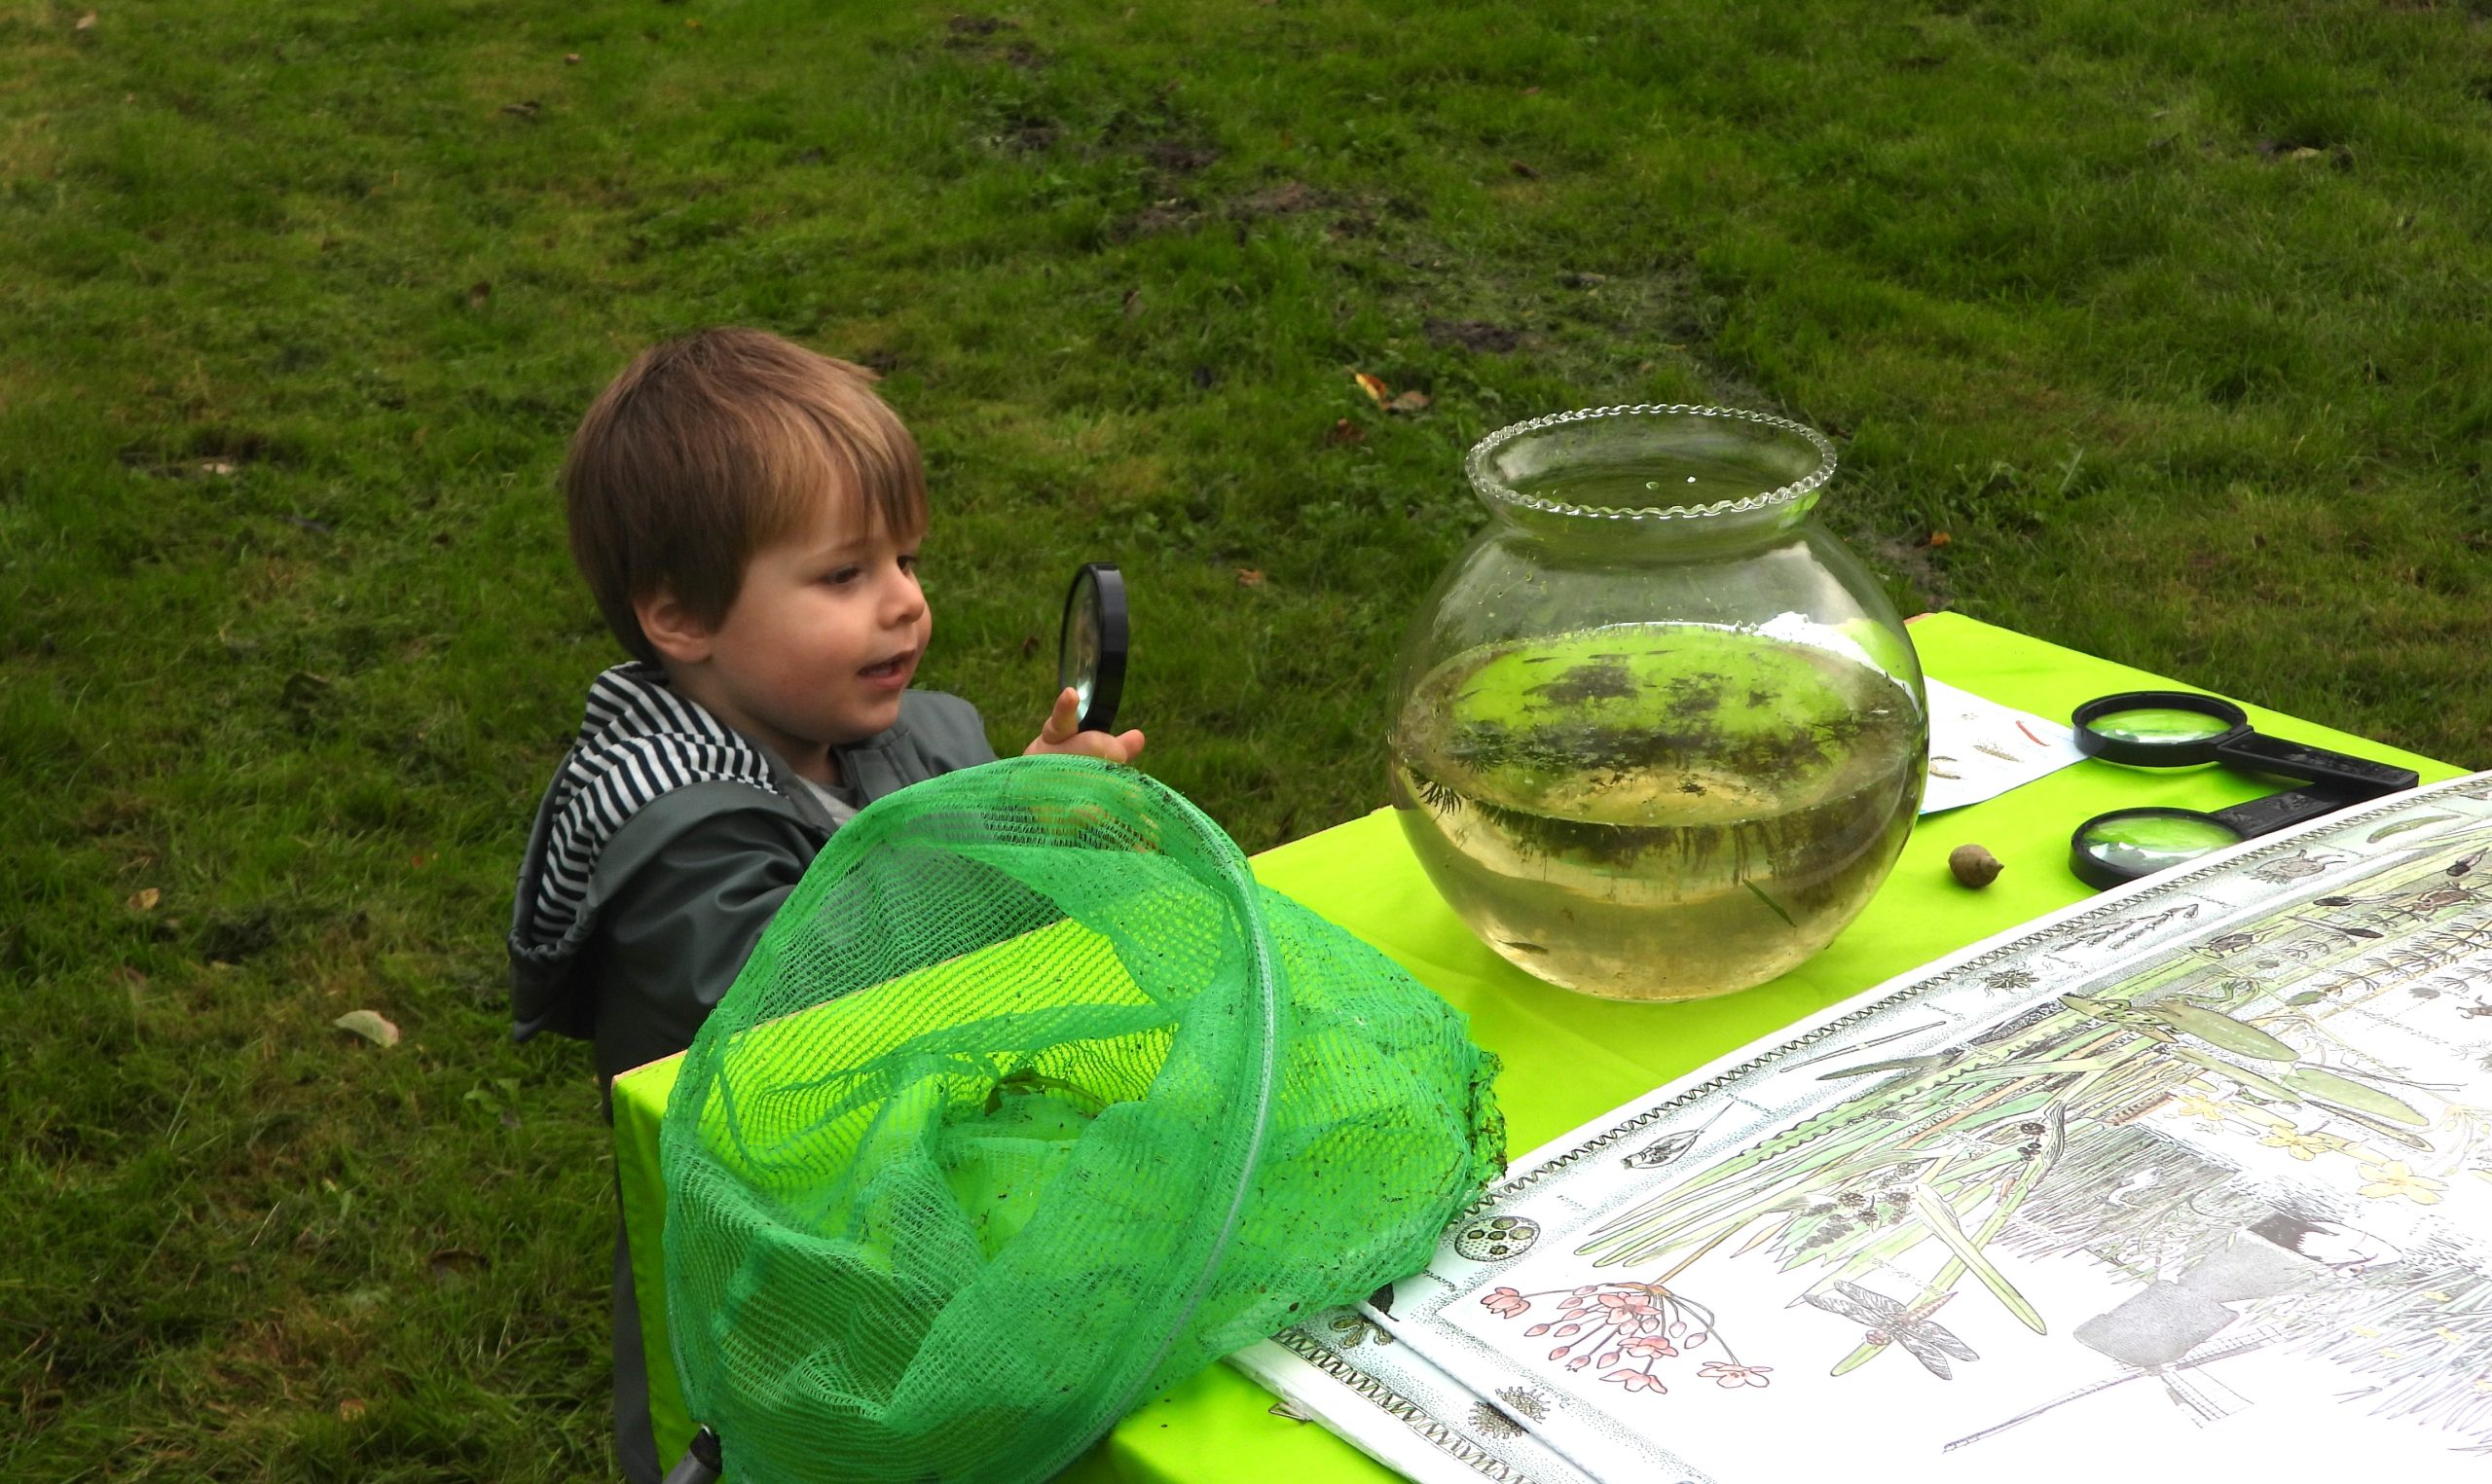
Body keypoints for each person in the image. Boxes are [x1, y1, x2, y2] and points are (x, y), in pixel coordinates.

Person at [503, 327, 1144, 1482]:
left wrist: (1032, 808)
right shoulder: (673, 834)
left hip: (914, 1205)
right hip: (765, 1273)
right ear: (682, 619)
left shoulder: (893, 738)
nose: (904, 606)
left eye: (905, 560)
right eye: (845, 576)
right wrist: (1010, 839)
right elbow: (809, 996)